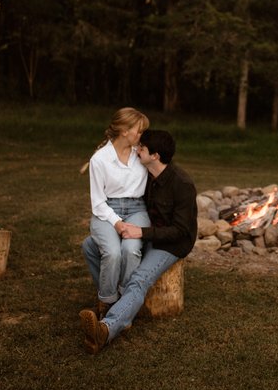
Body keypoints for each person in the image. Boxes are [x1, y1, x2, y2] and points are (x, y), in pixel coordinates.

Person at [80, 129, 197, 354]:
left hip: (170, 244)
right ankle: (114, 301)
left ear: (155, 155)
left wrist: (142, 234)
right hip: (146, 233)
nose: (137, 150)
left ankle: (106, 328)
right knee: (89, 246)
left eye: (141, 148)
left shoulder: (182, 184)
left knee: (139, 279)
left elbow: (181, 231)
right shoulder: (148, 176)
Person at [81, 107, 150, 318]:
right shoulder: (100, 160)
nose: (141, 135)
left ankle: (125, 302)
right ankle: (107, 302)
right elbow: (98, 203)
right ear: (124, 130)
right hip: (106, 211)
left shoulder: (141, 153)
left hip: (137, 209)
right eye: (139, 131)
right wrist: (117, 223)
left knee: (130, 250)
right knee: (112, 253)